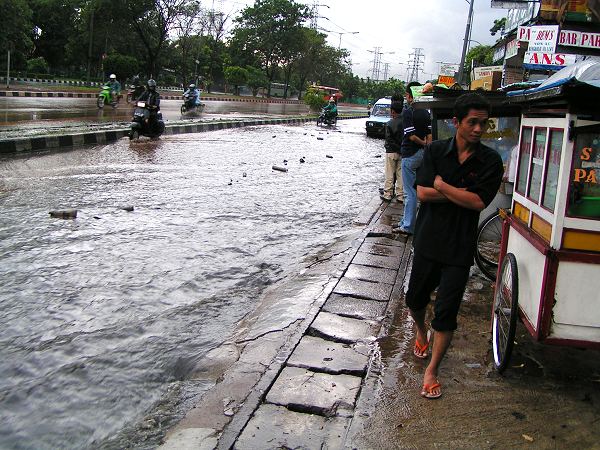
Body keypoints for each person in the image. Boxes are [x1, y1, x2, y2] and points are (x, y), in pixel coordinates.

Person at [405, 92, 504, 399]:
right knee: (414, 299)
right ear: (457, 122)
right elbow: (421, 193)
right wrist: (458, 193)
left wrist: (443, 186)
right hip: (428, 240)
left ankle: (432, 369)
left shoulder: (490, 160)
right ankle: (421, 331)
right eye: (472, 122)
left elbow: (477, 202)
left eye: (483, 124)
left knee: (446, 311)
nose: (478, 129)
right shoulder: (435, 150)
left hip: (459, 249)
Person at [393, 82, 432, 235]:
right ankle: (405, 222)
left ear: (410, 96)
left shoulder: (409, 111)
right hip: (421, 156)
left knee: (410, 192)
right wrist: (427, 147)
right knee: (415, 190)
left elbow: (411, 136)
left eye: (406, 95)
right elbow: (429, 134)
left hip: (410, 155)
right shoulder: (426, 112)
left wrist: (422, 144)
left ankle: (408, 226)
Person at [381, 96, 404, 202]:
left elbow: (389, 139)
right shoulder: (405, 123)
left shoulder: (389, 123)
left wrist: (394, 148)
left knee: (389, 174)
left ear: (392, 111)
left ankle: (388, 194)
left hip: (391, 152)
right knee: (400, 175)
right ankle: (400, 195)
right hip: (402, 152)